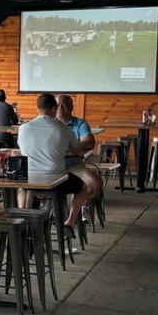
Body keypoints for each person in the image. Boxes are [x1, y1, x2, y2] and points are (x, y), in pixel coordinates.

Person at [18, 94, 86, 226]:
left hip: (30, 178)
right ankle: (70, 222)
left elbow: (23, 150)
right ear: (54, 108)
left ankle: (23, 217)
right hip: (56, 180)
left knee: (22, 189)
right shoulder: (63, 128)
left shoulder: (23, 128)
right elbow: (76, 151)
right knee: (83, 188)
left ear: (38, 108)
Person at [55, 95, 103, 223]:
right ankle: (47, 212)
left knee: (96, 183)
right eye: (58, 105)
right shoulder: (49, 123)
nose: (60, 108)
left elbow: (89, 142)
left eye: (64, 105)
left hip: (73, 165)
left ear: (71, 107)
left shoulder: (80, 124)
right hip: (52, 165)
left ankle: (78, 210)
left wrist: (68, 146)